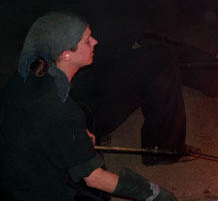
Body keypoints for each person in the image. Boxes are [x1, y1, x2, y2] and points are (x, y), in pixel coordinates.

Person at [0, 12, 178, 200]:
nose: (95, 42)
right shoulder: (61, 111)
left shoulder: (26, 74)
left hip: (14, 160)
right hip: (29, 190)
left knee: (87, 116)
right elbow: (95, 178)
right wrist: (155, 194)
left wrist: (75, 138)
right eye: (87, 41)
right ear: (66, 55)